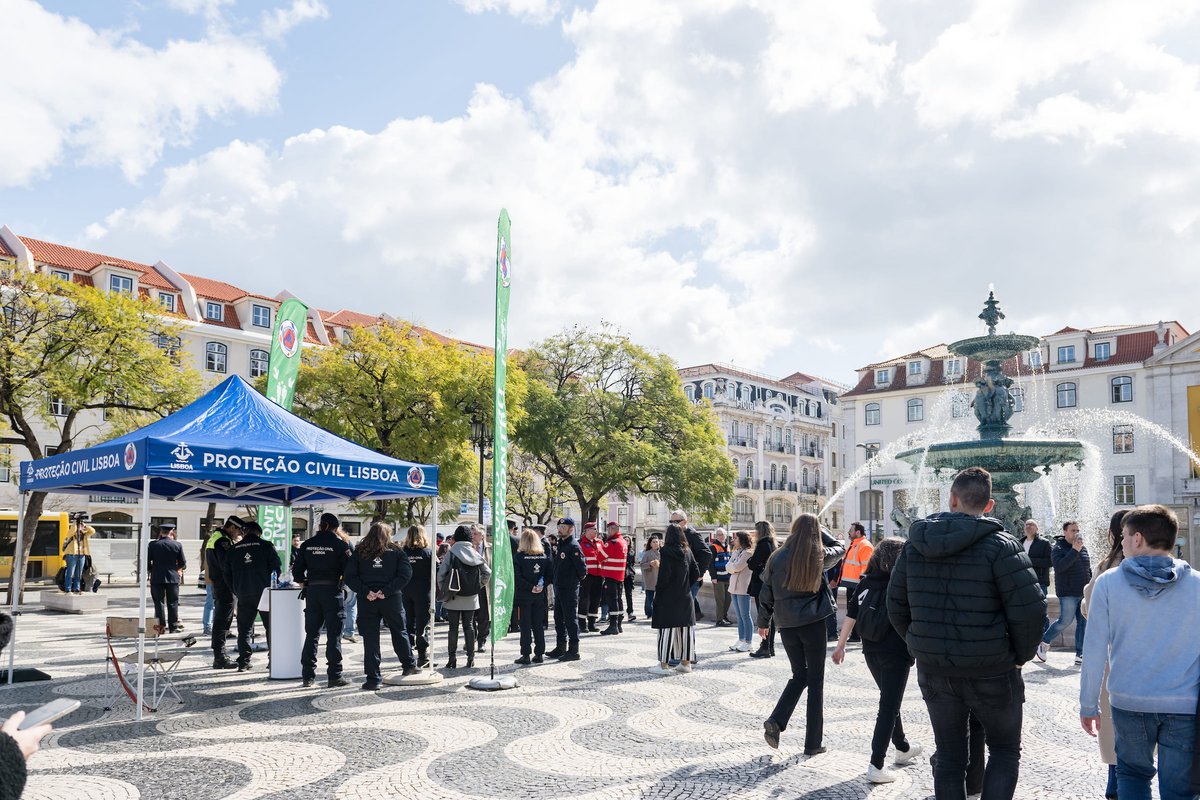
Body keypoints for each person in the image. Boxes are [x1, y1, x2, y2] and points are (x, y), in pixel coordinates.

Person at [887, 466, 1045, 800]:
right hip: (992, 669)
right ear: (989, 506)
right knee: (1003, 750)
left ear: (952, 499)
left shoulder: (915, 546)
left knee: (949, 756)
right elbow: (1030, 610)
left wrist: (919, 645)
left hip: (935, 670)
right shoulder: (1003, 546)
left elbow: (896, 605)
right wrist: (1020, 656)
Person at [1081, 504, 1200, 800]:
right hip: (1183, 702)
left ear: (1137, 539)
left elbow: (1094, 649)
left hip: (1129, 699)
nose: (1120, 541)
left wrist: (1088, 705)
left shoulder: (1109, 583)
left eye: (1123, 535)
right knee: (1179, 789)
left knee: (1132, 775)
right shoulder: (1197, 585)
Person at [832, 537, 921, 783]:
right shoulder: (900, 584)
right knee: (888, 706)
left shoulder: (866, 583)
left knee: (889, 700)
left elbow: (851, 614)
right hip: (895, 653)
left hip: (870, 650)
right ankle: (876, 764)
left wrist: (840, 647)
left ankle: (902, 747)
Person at [757, 514, 844, 754]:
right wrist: (822, 530)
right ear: (816, 532)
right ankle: (812, 743)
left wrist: (763, 622)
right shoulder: (817, 555)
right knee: (815, 682)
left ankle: (776, 720)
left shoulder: (777, 556)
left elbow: (766, 593)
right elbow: (841, 548)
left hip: (787, 626)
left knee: (799, 675)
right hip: (813, 624)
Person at [1081, 510, 1128, 800]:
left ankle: (1115, 788)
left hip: (1114, 658)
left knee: (1114, 730)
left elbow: (1089, 610)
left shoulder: (1106, 567)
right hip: (1157, 669)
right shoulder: (1173, 567)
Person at [346, 521, 420, 690]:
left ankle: (373, 679)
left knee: (371, 639)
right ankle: (408, 664)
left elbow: (350, 576)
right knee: (399, 631)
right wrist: (386, 591)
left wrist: (366, 592)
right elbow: (405, 575)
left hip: (367, 601)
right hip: (391, 599)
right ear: (388, 534)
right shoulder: (396, 551)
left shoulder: (360, 551)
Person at [292, 512, 353, 689]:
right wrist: (342, 584)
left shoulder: (307, 544)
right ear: (335, 528)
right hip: (333, 592)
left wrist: (304, 582)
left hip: (312, 591)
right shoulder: (341, 545)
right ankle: (334, 675)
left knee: (312, 634)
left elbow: (296, 572)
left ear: (321, 526)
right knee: (334, 635)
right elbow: (349, 570)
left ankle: (308, 676)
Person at [224, 520, 282, 672]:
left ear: (245, 532)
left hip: (243, 593)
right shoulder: (266, 546)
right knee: (271, 628)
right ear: (258, 533)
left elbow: (226, 575)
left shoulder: (233, 549)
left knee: (244, 630)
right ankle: (274, 660)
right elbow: (276, 569)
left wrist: (236, 589)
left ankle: (244, 662)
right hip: (265, 593)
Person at [1037, 520, 1092, 665]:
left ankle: (1080, 654)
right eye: (1073, 530)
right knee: (1065, 621)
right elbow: (1060, 567)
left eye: (1078, 530)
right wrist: (1074, 550)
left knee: (1083, 622)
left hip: (1083, 591)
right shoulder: (1058, 548)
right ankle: (1044, 641)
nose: (1077, 533)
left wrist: (1091, 584)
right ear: (1065, 532)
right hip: (1068, 592)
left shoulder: (1082, 547)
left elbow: (1087, 568)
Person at [649, 523, 700, 675]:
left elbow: (665, 575)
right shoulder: (688, 551)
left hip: (668, 596)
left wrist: (660, 590)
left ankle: (663, 665)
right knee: (685, 630)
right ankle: (685, 663)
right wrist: (685, 585)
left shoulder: (666, 551)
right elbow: (696, 572)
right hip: (685, 596)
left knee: (666, 630)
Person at [437, 526, 491, 669]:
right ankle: (470, 658)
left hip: (454, 595)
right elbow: (487, 572)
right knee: (469, 626)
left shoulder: (452, 552)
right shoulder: (474, 553)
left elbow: (441, 574)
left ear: (455, 537)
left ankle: (452, 658)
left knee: (453, 628)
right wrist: (478, 585)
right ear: (469, 537)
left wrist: (446, 590)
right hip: (471, 596)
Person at [547, 517, 587, 662]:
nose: (560, 529)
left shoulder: (573, 546)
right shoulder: (561, 544)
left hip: (569, 588)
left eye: (563, 527)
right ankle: (561, 646)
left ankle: (574, 650)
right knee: (558, 618)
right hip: (559, 587)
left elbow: (582, 570)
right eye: (559, 526)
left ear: (571, 529)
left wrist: (572, 581)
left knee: (570, 619)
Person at [206, 515, 242, 670]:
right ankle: (220, 657)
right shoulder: (222, 541)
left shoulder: (216, 536)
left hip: (218, 584)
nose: (238, 534)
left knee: (222, 619)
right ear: (232, 527)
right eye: (238, 530)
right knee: (222, 620)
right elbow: (228, 563)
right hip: (224, 585)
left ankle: (220, 655)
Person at [514, 528, 554, 664]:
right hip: (539, 596)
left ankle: (525, 655)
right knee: (538, 625)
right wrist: (541, 586)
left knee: (525, 625)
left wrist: (530, 587)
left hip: (524, 596)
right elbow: (550, 575)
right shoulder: (543, 556)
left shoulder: (519, 557)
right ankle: (539, 654)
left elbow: (517, 578)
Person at [401, 525, 434, 669]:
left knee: (408, 624)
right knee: (422, 625)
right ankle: (422, 656)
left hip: (405, 591)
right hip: (423, 592)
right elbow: (435, 572)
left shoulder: (402, 552)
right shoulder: (428, 553)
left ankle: (408, 657)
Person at [147, 524, 187, 633]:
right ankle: (173, 627)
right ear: (171, 532)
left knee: (158, 602)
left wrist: (152, 570)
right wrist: (174, 568)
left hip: (157, 577)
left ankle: (161, 627)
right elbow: (183, 563)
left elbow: (147, 562)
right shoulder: (177, 545)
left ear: (161, 532)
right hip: (172, 577)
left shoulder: (153, 545)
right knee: (173, 602)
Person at [748, 520, 779, 659]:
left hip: (761, 584)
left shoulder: (762, 545)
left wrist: (751, 561)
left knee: (763, 617)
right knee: (769, 617)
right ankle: (769, 647)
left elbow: (752, 565)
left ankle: (765, 647)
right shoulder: (773, 544)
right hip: (770, 583)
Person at [674, 511, 712, 621]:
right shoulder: (677, 534)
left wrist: (700, 573)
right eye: (671, 521)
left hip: (692, 578)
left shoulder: (692, 534)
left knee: (686, 610)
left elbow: (707, 553)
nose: (673, 524)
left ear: (685, 521)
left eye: (676, 521)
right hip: (681, 578)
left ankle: (688, 636)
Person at [839, 523, 874, 643]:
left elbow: (867, 567)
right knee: (852, 609)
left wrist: (863, 584)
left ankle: (857, 635)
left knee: (857, 610)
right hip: (851, 583)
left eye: (851, 530)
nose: (849, 532)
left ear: (858, 532)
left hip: (858, 585)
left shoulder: (864, 545)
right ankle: (855, 634)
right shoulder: (855, 545)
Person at [725, 530, 755, 652]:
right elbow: (728, 567)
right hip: (734, 587)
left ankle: (749, 641)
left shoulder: (748, 553)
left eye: (736, 538)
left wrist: (733, 567)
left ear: (741, 540)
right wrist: (733, 567)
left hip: (743, 587)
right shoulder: (737, 552)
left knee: (745, 615)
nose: (734, 541)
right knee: (739, 615)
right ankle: (741, 639)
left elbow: (736, 567)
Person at [1022, 520, 1053, 634]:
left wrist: (1029, 560)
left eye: (1031, 525)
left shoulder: (1044, 543)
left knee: (1041, 612)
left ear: (1037, 528)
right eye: (1026, 525)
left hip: (1039, 582)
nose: (1028, 526)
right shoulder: (1019, 542)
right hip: (1022, 583)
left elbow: (1050, 562)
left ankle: (1044, 640)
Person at [598, 522, 629, 636]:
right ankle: (619, 624)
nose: (607, 532)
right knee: (618, 599)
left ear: (612, 529)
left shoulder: (612, 542)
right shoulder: (623, 542)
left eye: (608, 530)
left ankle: (613, 625)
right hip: (620, 575)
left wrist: (604, 556)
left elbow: (599, 556)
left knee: (612, 600)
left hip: (611, 575)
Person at [578, 522, 605, 633]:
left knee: (596, 599)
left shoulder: (600, 542)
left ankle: (592, 623)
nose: (596, 531)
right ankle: (582, 624)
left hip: (599, 576)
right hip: (586, 576)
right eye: (594, 529)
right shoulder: (580, 543)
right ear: (587, 530)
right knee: (584, 599)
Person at [335, 526, 359, 645]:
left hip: (335, 580)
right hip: (349, 579)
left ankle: (337, 632)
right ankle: (349, 632)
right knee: (351, 606)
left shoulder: (332, 543)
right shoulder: (346, 543)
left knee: (338, 607)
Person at [470, 524, 491, 652]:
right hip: (470, 586)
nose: (473, 536)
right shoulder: (468, 548)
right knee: (470, 615)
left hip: (485, 586)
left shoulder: (491, 548)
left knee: (484, 615)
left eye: (475, 534)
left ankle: (481, 641)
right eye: (472, 534)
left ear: (482, 535)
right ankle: (470, 639)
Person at [62, 516, 94, 594]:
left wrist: (85, 526)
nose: (80, 527)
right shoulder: (72, 534)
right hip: (71, 555)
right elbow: (71, 532)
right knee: (70, 573)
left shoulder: (84, 535)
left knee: (78, 574)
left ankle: (77, 588)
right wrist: (75, 523)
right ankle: (68, 589)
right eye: (80, 526)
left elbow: (92, 531)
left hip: (82, 555)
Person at [709, 528, 733, 626]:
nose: (721, 536)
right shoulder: (713, 547)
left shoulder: (728, 546)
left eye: (722, 534)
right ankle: (719, 620)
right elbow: (710, 564)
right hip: (718, 578)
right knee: (720, 600)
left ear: (725, 535)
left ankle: (724, 616)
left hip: (728, 576)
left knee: (728, 599)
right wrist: (713, 576)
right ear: (715, 536)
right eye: (718, 534)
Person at [640, 535, 662, 619]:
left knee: (659, 597)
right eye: (654, 542)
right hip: (650, 578)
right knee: (649, 597)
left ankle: (657, 612)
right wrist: (650, 563)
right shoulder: (647, 553)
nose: (656, 543)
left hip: (660, 578)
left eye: (657, 542)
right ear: (650, 543)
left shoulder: (662, 553)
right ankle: (649, 613)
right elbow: (642, 565)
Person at [200, 538, 215, 636]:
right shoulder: (218, 541)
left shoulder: (211, 541)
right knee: (212, 603)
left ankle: (207, 626)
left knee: (210, 603)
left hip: (209, 576)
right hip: (215, 578)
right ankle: (208, 626)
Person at [623, 532, 637, 622]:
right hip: (620, 573)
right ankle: (616, 612)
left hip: (628, 575)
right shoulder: (619, 549)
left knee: (629, 594)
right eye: (625, 540)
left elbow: (631, 562)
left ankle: (630, 612)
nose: (626, 541)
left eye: (628, 540)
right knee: (618, 594)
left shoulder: (631, 551)